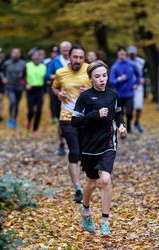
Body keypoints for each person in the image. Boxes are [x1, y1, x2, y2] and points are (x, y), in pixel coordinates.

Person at [71, 60, 127, 236]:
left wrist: (122, 126)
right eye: (97, 76)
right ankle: (86, 211)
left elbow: (118, 115)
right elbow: (75, 121)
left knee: (105, 180)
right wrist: (95, 114)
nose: (102, 79)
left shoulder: (113, 95)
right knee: (91, 183)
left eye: (104, 75)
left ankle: (105, 221)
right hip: (89, 146)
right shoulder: (85, 97)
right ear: (90, 78)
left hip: (108, 143)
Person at [52, 44, 92, 203]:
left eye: (81, 57)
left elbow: (99, 90)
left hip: (85, 118)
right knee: (74, 151)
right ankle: (78, 189)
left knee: (83, 153)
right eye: (75, 57)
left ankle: (86, 183)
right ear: (69, 56)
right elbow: (54, 87)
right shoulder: (61, 72)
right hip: (67, 118)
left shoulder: (90, 70)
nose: (78, 60)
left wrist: (87, 94)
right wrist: (59, 94)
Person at [47, 41, 72, 156]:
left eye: (67, 49)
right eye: (63, 50)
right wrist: (59, 76)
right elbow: (47, 75)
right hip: (58, 93)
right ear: (60, 50)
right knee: (61, 119)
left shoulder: (76, 60)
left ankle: (73, 143)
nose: (66, 52)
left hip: (73, 93)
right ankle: (61, 143)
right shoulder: (55, 61)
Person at [109, 46, 141, 134]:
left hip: (130, 93)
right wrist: (119, 79)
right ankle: (123, 129)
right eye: (120, 54)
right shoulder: (115, 67)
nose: (122, 56)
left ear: (125, 54)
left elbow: (138, 75)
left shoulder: (131, 64)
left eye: (123, 54)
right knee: (120, 114)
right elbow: (111, 81)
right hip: (119, 94)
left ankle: (129, 123)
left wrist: (136, 84)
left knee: (130, 112)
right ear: (118, 55)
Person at [25, 49, 47, 136]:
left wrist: (47, 83)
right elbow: (22, 78)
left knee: (39, 111)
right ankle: (29, 120)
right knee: (31, 111)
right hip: (30, 90)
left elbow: (46, 78)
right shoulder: (27, 65)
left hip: (40, 90)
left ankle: (35, 129)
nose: (37, 57)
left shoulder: (44, 66)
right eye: (35, 56)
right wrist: (26, 85)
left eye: (38, 56)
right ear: (31, 57)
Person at [2, 48, 26, 129]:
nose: (15, 54)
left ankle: (14, 119)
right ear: (11, 54)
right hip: (10, 86)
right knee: (13, 102)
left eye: (17, 53)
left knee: (17, 104)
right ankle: (10, 118)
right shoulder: (7, 63)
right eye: (14, 52)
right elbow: (1, 72)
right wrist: (3, 78)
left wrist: (24, 80)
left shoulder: (23, 64)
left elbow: (26, 75)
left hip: (19, 87)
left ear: (19, 54)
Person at [128, 45, 148, 133]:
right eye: (131, 54)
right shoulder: (125, 62)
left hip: (138, 87)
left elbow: (145, 73)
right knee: (129, 108)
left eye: (133, 53)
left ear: (136, 53)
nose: (132, 55)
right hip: (128, 87)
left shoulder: (141, 61)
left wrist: (143, 79)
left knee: (139, 107)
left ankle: (136, 122)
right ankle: (128, 125)